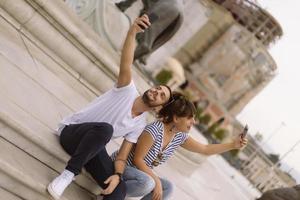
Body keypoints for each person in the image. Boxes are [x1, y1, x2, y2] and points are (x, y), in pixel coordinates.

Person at [47, 15, 174, 200]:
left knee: (119, 190)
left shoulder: (139, 125)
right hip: (72, 134)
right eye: (158, 88)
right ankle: (67, 175)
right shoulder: (127, 90)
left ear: (158, 108)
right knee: (105, 129)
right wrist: (132, 32)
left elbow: (122, 157)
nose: (156, 92)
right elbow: (126, 61)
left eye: (161, 95)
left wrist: (118, 175)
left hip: (93, 149)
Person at [111, 93, 248, 200]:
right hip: (122, 167)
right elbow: (137, 160)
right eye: (190, 118)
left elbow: (205, 149)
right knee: (148, 183)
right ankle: (110, 195)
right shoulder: (154, 130)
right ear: (176, 118)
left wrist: (232, 145)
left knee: (168, 187)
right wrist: (156, 180)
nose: (193, 122)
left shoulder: (179, 135)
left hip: (141, 175)